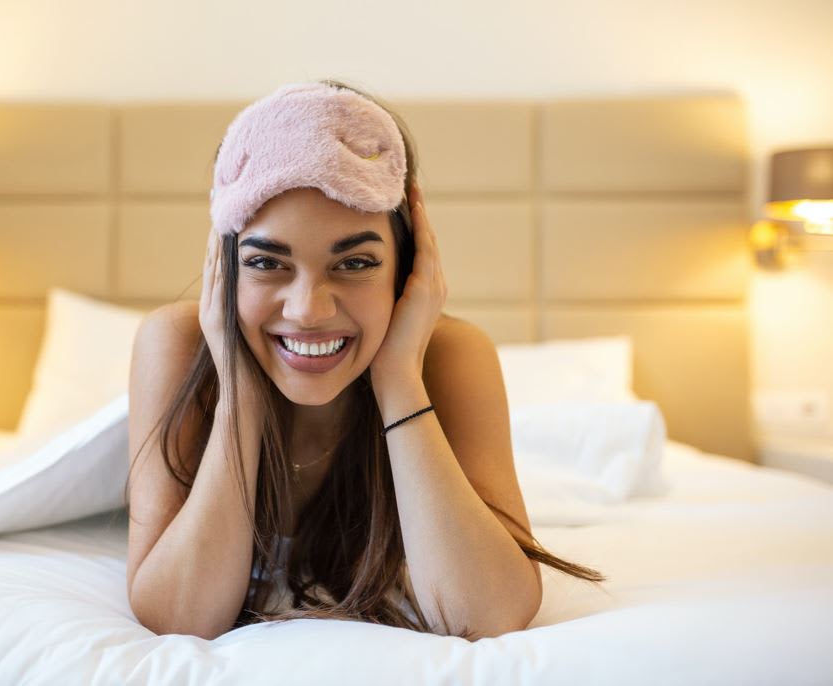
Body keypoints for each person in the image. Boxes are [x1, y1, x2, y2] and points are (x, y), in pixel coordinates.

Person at [124, 79, 605, 642]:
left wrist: (398, 377)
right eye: (266, 263)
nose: (307, 311)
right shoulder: (179, 345)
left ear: (407, 267)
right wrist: (239, 389)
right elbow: (180, 618)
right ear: (225, 267)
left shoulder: (450, 356)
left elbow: (486, 614)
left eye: (354, 264)